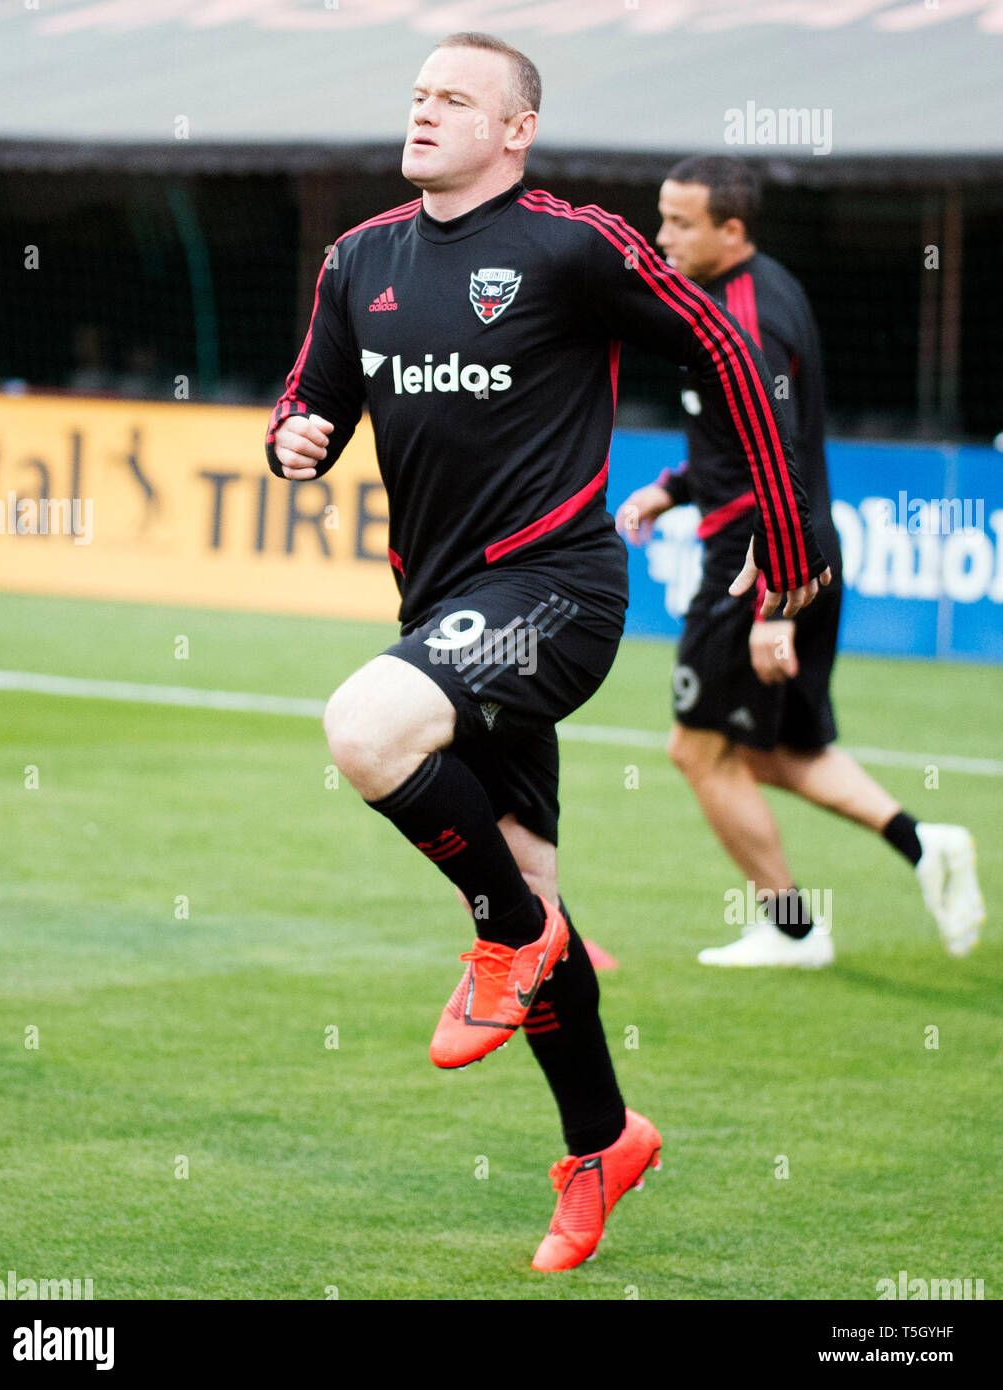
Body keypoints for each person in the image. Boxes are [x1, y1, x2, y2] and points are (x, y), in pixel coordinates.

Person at [266, 41, 827, 1269]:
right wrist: (293, 439)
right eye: (416, 94)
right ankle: (602, 1139)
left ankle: (499, 934)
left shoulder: (574, 244)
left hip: (554, 593)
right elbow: (307, 400)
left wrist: (784, 543)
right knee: (539, 891)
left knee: (365, 728)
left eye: (453, 98)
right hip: (444, 613)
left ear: (514, 130)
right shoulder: (358, 259)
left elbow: (726, 354)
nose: (423, 110)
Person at [617, 156, 984, 967]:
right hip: (796, 550)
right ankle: (928, 844)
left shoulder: (749, 323)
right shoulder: (745, 290)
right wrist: (672, 489)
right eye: (662, 217)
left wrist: (769, 612)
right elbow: (739, 444)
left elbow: (773, 475)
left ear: (733, 230)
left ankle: (792, 929)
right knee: (773, 752)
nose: (662, 235)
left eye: (681, 223)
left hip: (759, 564)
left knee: (696, 749)